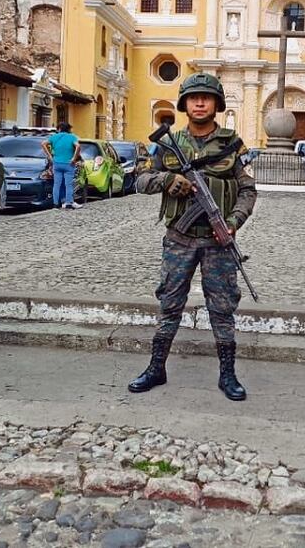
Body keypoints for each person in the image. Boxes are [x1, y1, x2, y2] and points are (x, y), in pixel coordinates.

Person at [128, 73, 258, 401]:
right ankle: (156, 367)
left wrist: (233, 222)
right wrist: (167, 181)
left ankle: (227, 375)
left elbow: (247, 189)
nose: (199, 102)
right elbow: (140, 181)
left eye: (207, 97)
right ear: (184, 103)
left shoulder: (231, 144)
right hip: (179, 239)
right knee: (170, 303)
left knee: (222, 306)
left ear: (217, 104)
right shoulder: (167, 145)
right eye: (193, 97)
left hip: (218, 242)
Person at [44, 122, 81, 209]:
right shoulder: (72, 137)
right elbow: (78, 146)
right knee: (68, 184)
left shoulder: (54, 137)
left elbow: (43, 144)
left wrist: (49, 156)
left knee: (57, 184)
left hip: (56, 163)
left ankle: (56, 204)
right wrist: (74, 158)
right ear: (68, 129)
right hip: (68, 163)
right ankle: (68, 203)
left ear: (59, 129)